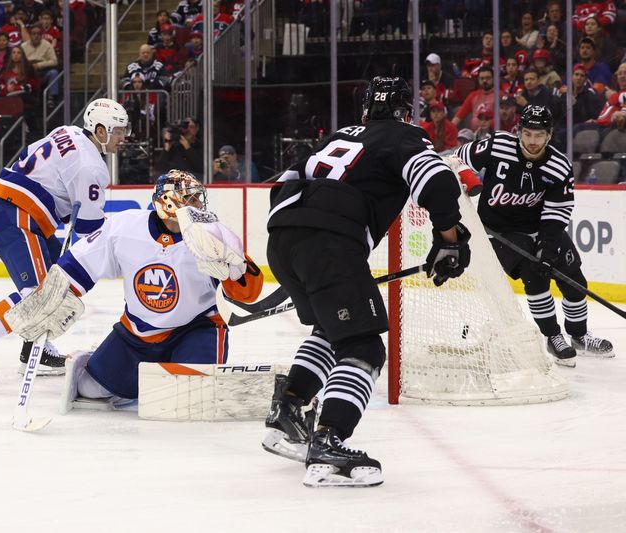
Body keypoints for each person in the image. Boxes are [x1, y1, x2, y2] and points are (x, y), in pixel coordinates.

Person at [262, 77, 470, 487]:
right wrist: (449, 239)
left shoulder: (337, 136)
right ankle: (328, 440)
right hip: (329, 243)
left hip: (282, 236)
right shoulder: (405, 136)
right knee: (364, 346)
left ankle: (287, 411)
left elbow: (285, 181)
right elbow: (438, 183)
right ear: (405, 111)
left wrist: (307, 235)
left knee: (332, 329)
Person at [11, 171, 264, 410]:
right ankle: (109, 365)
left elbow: (247, 294)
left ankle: (157, 376)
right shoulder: (125, 227)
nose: (198, 204)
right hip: (138, 332)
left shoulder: (213, 236)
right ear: (168, 201)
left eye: (199, 198)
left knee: (191, 395)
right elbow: (79, 264)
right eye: (190, 198)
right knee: (90, 389)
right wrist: (52, 297)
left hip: (196, 329)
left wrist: (237, 271)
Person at [0, 99, 131, 388]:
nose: (123, 137)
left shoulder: (68, 131)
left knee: (62, 282)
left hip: (17, 212)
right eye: (118, 131)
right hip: (19, 216)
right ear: (100, 131)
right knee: (38, 294)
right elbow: (88, 228)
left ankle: (35, 348)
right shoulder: (91, 166)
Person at [456, 105, 613, 367]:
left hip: (539, 228)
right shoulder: (497, 145)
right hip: (498, 232)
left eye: (538, 135)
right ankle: (553, 336)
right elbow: (459, 157)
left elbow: (558, 209)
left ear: (549, 135)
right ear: (519, 131)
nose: (532, 141)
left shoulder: (558, 165)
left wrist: (548, 246)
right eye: (527, 133)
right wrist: (464, 177)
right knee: (534, 272)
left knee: (573, 277)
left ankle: (579, 335)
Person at [452, 65, 497, 130]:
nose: (485, 81)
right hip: (474, 136)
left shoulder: (499, 96)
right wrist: (449, 130)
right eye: (482, 78)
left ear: (493, 79)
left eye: (488, 78)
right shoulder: (473, 96)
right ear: (478, 80)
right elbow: (458, 117)